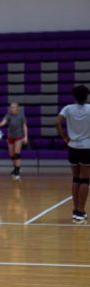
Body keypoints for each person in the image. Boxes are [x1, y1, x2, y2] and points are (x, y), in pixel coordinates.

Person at [55, 85, 90, 224]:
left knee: (76, 178)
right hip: (87, 147)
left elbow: (57, 121)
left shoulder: (68, 108)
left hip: (73, 147)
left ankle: (75, 210)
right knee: (85, 180)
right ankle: (81, 212)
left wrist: (64, 137)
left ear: (74, 96)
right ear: (86, 96)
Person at [0, 102, 28, 180]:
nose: (12, 109)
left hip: (19, 137)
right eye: (11, 107)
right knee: (11, 154)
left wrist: (26, 137)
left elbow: (24, 126)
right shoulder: (8, 114)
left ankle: (17, 172)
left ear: (17, 108)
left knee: (16, 154)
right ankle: (16, 167)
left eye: (13, 107)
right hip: (10, 137)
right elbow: (4, 122)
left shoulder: (21, 115)